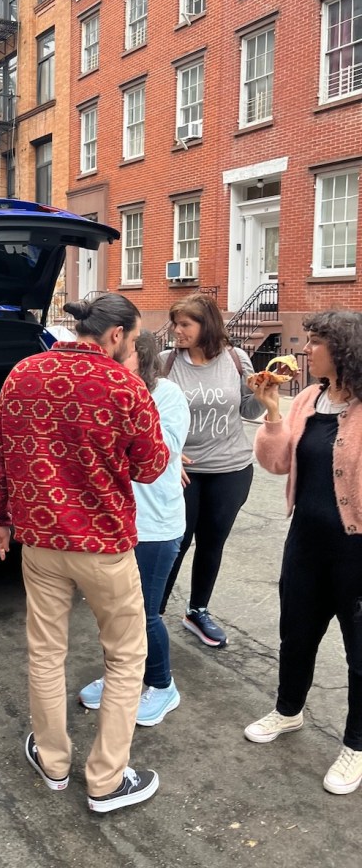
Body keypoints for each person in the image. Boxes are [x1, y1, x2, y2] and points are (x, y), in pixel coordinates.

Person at [0, 294, 169, 814]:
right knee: (127, 657)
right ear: (116, 336)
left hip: (39, 542)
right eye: (132, 339)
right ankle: (106, 780)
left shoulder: (23, 373)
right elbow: (152, 466)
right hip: (104, 547)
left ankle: (53, 760)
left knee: (45, 651)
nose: (132, 347)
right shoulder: (124, 386)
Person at [244, 310, 362, 795]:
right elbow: (274, 463)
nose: (305, 350)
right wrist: (272, 409)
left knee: (360, 652)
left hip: (355, 550)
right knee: (296, 634)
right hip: (305, 543)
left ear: (344, 350)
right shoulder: (308, 399)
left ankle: (356, 746)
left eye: (315, 343)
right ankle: (287, 711)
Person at [79, 329, 190, 725]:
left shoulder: (168, 397)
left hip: (155, 527)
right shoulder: (108, 393)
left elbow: (162, 451)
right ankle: (121, 676)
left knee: (143, 613)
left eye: (119, 359)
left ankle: (162, 687)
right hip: (113, 523)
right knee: (111, 613)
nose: (110, 365)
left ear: (141, 360)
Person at [159, 293, 264, 648]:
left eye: (185, 324)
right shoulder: (166, 362)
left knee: (212, 543)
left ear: (207, 327)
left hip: (231, 467)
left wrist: (264, 392)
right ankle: (152, 615)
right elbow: (148, 415)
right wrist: (168, 457)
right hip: (182, 470)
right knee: (176, 542)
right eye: (176, 323)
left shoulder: (237, 359)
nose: (177, 330)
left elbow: (249, 411)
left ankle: (197, 610)